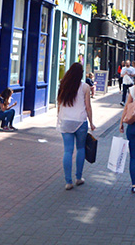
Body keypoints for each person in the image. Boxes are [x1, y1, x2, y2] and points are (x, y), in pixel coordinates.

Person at [57, 62, 95, 190]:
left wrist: (59, 117)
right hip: (80, 121)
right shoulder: (85, 87)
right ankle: (78, 177)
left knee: (68, 150)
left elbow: (59, 103)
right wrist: (91, 122)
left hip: (66, 121)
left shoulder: (63, 85)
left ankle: (68, 181)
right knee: (80, 149)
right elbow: (88, 107)